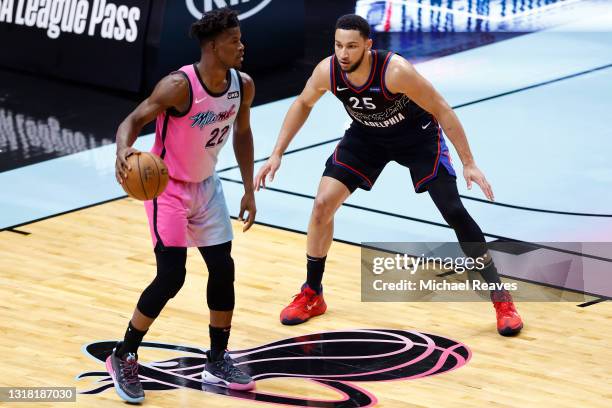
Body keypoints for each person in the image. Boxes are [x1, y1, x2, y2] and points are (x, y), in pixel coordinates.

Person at [254, 14, 523, 337]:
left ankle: (500, 297)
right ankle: (312, 293)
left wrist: (469, 162)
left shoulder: (396, 71)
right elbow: (303, 103)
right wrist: (277, 152)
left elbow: (441, 108)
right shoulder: (328, 70)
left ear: (368, 46)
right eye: (339, 45)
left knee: (453, 211)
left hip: (418, 138)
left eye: (352, 46)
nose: (343, 53)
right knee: (323, 204)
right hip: (367, 138)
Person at [107, 8, 257, 403]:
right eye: (234, 41)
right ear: (212, 46)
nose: (242, 47)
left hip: (207, 186)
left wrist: (248, 188)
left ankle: (218, 357)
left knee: (223, 269)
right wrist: (123, 149)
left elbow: (243, 134)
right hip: (167, 188)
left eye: (241, 39)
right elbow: (133, 119)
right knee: (172, 276)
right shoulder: (178, 86)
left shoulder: (243, 85)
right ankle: (124, 353)